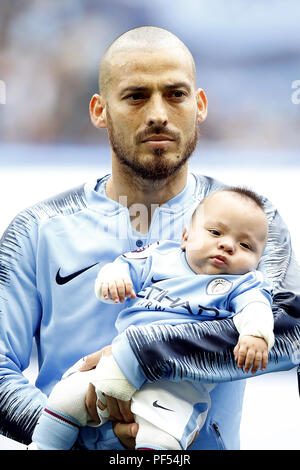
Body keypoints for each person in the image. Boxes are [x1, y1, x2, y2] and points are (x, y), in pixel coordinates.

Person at [0, 26, 299, 451]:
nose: (158, 113)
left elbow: (289, 335)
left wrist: (143, 350)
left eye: (175, 94)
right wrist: (84, 430)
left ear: (200, 105)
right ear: (99, 110)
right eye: (136, 95)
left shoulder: (252, 222)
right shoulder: (37, 229)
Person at [30, 187, 275, 450]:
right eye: (215, 232)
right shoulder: (159, 257)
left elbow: (256, 307)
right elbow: (122, 266)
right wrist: (114, 279)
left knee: (162, 436)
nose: (227, 245)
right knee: (65, 397)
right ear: (185, 236)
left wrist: (255, 334)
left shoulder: (243, 284)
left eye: (245, 245)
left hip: (177, 383)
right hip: (115, 363)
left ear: (257, 262)